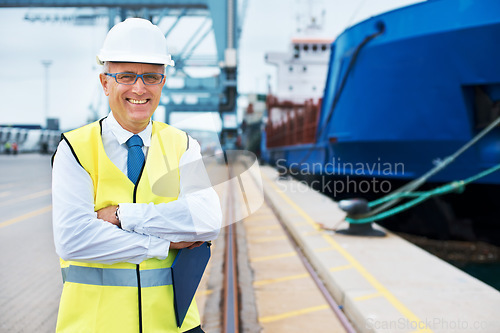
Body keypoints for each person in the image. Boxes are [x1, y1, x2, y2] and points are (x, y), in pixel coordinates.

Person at [51, 18, 222, 333]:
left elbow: (206, 221)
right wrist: (165, 244)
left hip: (175, 325)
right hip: (94, 325)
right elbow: (74, 240)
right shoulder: (75, 149)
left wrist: (121, 215)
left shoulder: (183, 145)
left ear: (163, 82)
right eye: (126, 76)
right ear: (105, 82)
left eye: (151, 77)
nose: (139, 88)